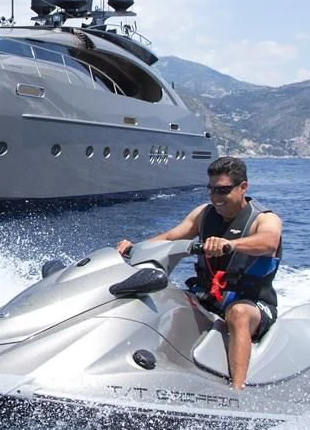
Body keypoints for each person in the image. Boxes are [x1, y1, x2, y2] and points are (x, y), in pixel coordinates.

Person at [116, 156, 282, 390]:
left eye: (223, 190)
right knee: (161, 298)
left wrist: (229, 244)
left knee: (239, 313)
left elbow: (269, 242)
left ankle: (238, 390)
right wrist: (135, 248)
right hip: (208, 298)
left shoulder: (264, 219)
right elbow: (171, 237)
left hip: (254, 304)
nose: (216, 197)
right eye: (211, 190)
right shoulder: (204, 214)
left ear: (243, 187)